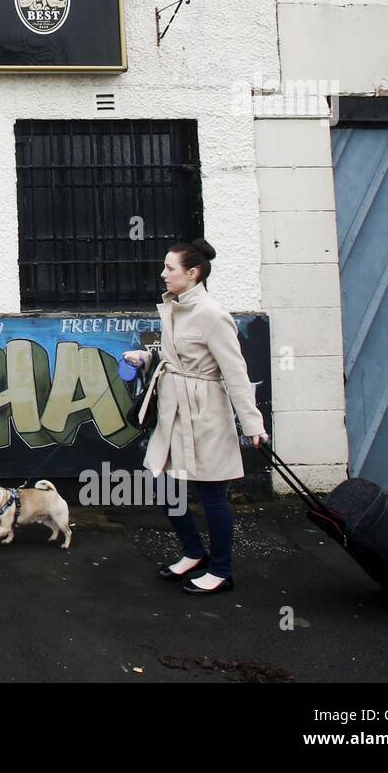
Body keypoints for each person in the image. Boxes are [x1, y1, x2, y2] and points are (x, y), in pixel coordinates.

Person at [121, 239, 270, 596]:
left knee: (212, 493)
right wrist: (146, 358)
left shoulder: (211, 314)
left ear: (193, 273)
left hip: (205, 415)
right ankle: (193, 552)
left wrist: (252, 425)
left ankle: (221, 571)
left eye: (170, 268)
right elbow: (177, 356)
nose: (163, 273)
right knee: (162, 484)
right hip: (174, 411)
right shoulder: (175, 307)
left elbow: (235, 372)